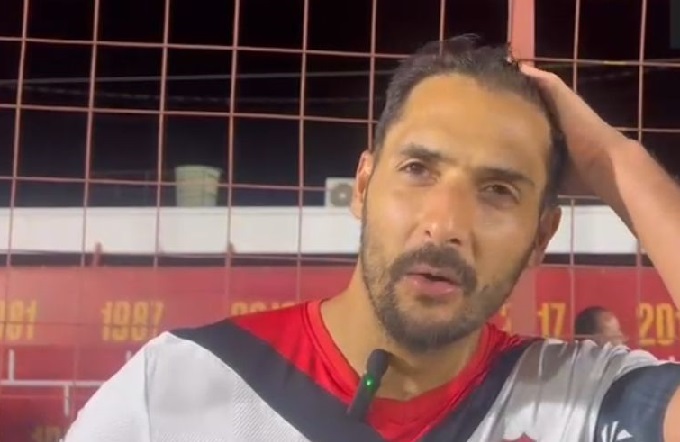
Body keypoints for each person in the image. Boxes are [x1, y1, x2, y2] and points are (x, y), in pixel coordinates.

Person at [64, 35, 680, 442]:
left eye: (498, 190)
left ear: (542, 235)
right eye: (418, 170)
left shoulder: (583, 403)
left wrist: (612, 159)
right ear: (362, 186)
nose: (445, 225)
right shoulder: (175, 387)